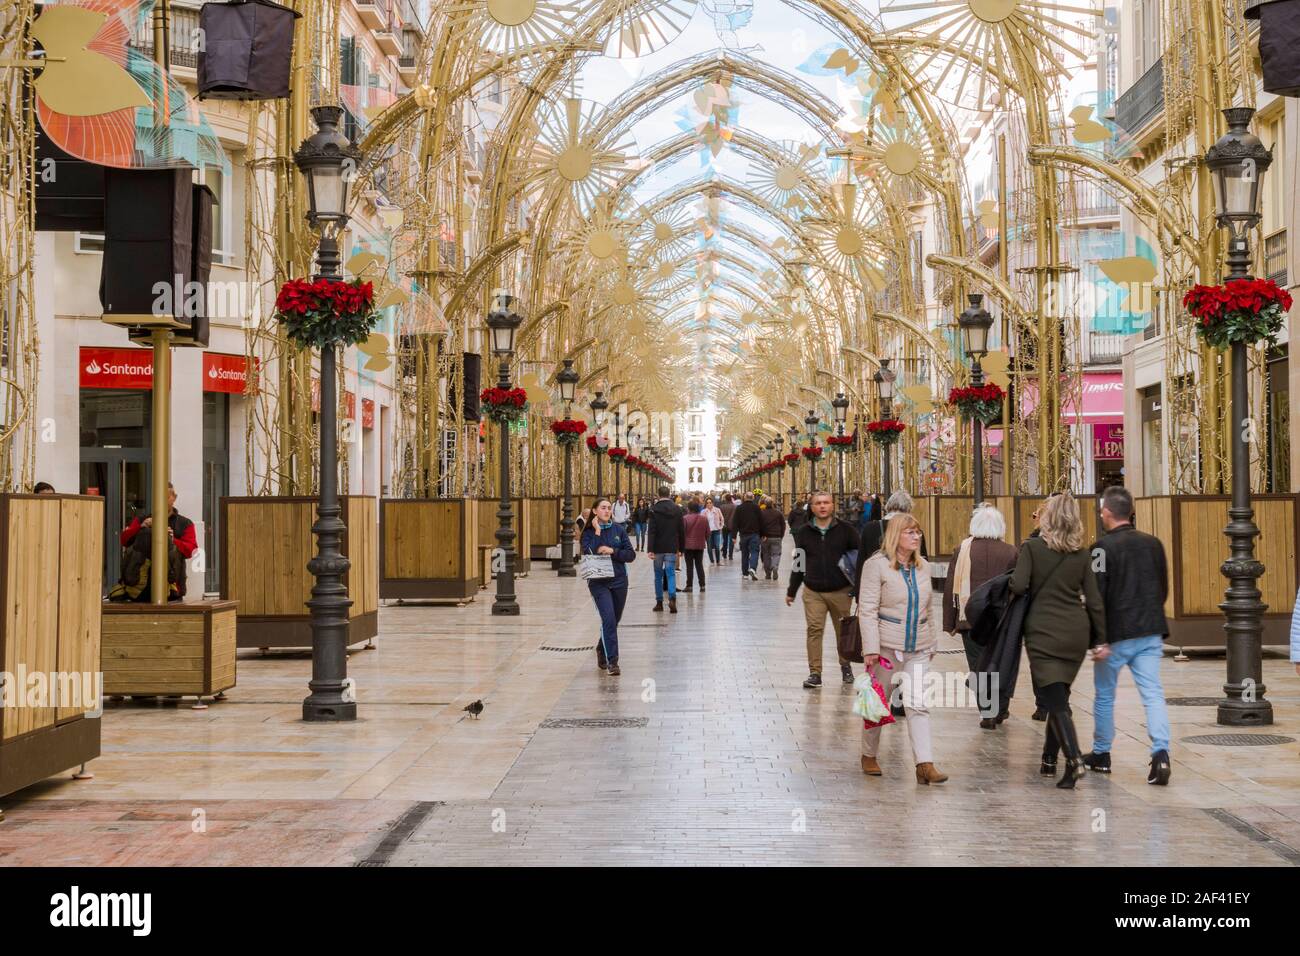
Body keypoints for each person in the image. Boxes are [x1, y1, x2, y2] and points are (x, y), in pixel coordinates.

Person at [1009, 492, 1106, 790]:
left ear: (1047, 518)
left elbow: (1018, 584)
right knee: (1058, 696)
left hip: (1043, 632)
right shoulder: (1082, 554)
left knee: (1055, 699)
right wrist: (1100, 639)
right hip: (1075, 633)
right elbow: (1094, 601)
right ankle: (1049, 759)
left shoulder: (1033, 548)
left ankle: (1074, 759)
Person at [1084, 486, 1172, 785]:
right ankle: (1161, 754)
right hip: (1149, 630)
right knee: (1152, 694)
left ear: (1106, 513)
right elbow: (1162, 588)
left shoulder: (1100, 549)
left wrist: (1098, 639)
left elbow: (1096, 595)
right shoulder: (1154, 544)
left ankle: (1102, 753)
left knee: (1105, 696)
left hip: (1115, 635)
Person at [857, 514, 947, 784]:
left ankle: (924, 763)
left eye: (918, 532)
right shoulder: (877, 566)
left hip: (918, 646)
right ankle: (868, 754)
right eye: (910, 532)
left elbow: (929, 607)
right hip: (886, 647)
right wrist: (870, 647)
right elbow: (867, 609)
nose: (916, 537)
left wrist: (932, 641)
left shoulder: (923, 568)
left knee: (918, 704)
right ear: (897, 535)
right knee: (877, 702)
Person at [943, 503, 1018, 728]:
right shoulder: (1011, 552)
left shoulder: (962, 550)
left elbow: (950, 587)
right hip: (1001, 621)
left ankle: (987, 712)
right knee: (1001, 663)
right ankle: (1001, 708)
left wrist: (950, 620)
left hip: (971, 620)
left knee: (977, 664)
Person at [785, 490, 857, 688]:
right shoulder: (804, 532)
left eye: (826, 502)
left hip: (841, 590)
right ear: (812, 507)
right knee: (814, 630)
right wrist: (792, 590)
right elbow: (798, 563)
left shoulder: (846, 530)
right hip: (813, 590)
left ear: (832, 505)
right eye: (818, 503)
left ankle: (845, 666)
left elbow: (859, 559)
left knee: (843, 631)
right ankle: (815, 673)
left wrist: (858, 588)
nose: (823, 506)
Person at [580, 498, 637, 676]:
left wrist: (613, 551)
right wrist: (597, 531)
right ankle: (613, 661)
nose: (606, 511)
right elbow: (589, 552)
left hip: (619, 580)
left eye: (608, 508)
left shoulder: (618, 530)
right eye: (602, 508)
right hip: (598, 582)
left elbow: (631, 555)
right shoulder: (588, 532)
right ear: (595, 511)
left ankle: (600, 647)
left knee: (615, 620)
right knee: (609, 619)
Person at [119, 482, 197, 597]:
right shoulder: (141, 520)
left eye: (166, 497)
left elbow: (191, 550)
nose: (162, 500)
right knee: (144, 534)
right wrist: (140, 528)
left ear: (174, 497)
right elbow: (124, 541)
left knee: (170, 545)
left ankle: (166, 585)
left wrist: (171, 539)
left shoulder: (185, 523)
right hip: (137, 588)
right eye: (159, 497)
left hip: (172, 589)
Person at [646, 484, 685, 613]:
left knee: (658, 575)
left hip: (657, 547)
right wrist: (682, 548)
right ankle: (672, 598)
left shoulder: (654, 509)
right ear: (669, 495)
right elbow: (681, 530)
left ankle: (659, 602)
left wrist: (650, 549)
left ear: (658, 495)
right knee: (671, 573)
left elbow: (651, 531)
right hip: (671, 546)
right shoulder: (677, 509)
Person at [732, 492, 762, 580]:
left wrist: (734, 536)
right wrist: (763, 534)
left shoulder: (739, 508)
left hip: (744, 535)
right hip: (754, 534)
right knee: (754, 552)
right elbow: (761, 521)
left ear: (744, 498)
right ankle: (752, 568)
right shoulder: (757, 507)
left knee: (744, 554)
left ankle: (745, 573)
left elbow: (735, 523)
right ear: (752, 498)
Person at [681, 502, 709, 593]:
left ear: (689, 509)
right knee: (699, 565)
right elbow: (708, 533)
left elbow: (682, 533)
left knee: (689, 566)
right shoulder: (704, 519)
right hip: (699, 545)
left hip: (688, 546)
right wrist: (702, 539)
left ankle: (689, 586)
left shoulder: (685, 518)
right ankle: (702, 585)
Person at [758, 495, 786, 580]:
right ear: (773, 503)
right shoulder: (778, 513)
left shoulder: (761, 513)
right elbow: (783, 525)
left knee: (766, 555)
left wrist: (761, 535)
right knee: (776, 554)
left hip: (765, 537)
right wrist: (781, 535)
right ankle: (775, 567)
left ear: (765, 504)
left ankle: (768, 574)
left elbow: (759, 526)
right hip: (776, 536)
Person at [704, 496, 725, 565]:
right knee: (709, 547)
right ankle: (712, 561)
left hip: (716, 530)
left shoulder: (717, 510)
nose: (709, 504)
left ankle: (718, 561)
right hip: (708, 531)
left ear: (712, 503)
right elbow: (702, 522)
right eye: (707, 503)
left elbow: (722, 519)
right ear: (706, 504)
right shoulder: (704, 512)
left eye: (710, 502)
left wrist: (721, 527)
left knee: (717, 546)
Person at [719, 493, 737, 560]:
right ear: (731, 498)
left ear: (725, 499)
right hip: (732, 526)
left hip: (724, 526)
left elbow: (720, 517)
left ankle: (724, 554)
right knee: (731, 541)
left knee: (725, 540)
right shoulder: (735, 506)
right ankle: (730, 555)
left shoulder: (722, 506)